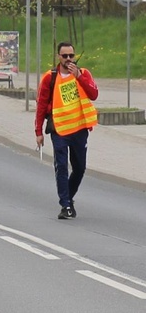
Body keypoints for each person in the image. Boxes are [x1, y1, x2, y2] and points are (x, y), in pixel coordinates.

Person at [35, 42, 98, 219]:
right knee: (61, 166)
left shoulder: (83, 73)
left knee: (79, 168)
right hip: (59, 129)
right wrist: (38, 131)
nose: (69, 59)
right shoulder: (50, 77)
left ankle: (68, 198)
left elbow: (94, 94)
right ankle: (65, 206)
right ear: (58, 57)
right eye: (65, 56)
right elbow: (41, 105)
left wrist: (79, 76)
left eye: (71, 55)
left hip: (79, 128)